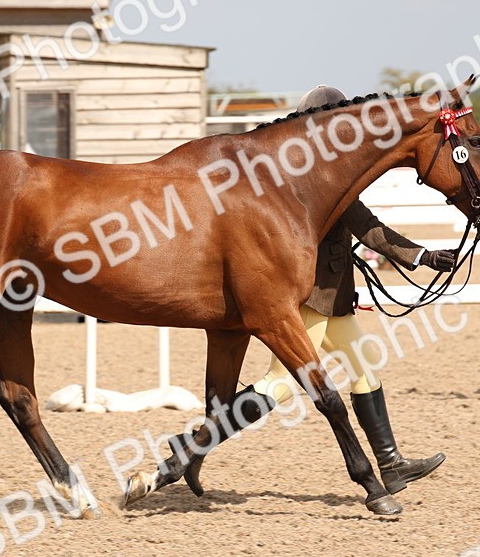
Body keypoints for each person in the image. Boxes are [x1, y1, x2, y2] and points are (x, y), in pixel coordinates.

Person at [190, 85, 454, 496]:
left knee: (365, 370)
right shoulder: (318, 181)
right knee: (279, 383)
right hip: (310, 297)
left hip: (335, 298)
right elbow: (367, 226)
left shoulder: (327, 175)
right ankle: (192, 447)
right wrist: (420, 256)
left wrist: (423, 256)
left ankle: (391, 463)